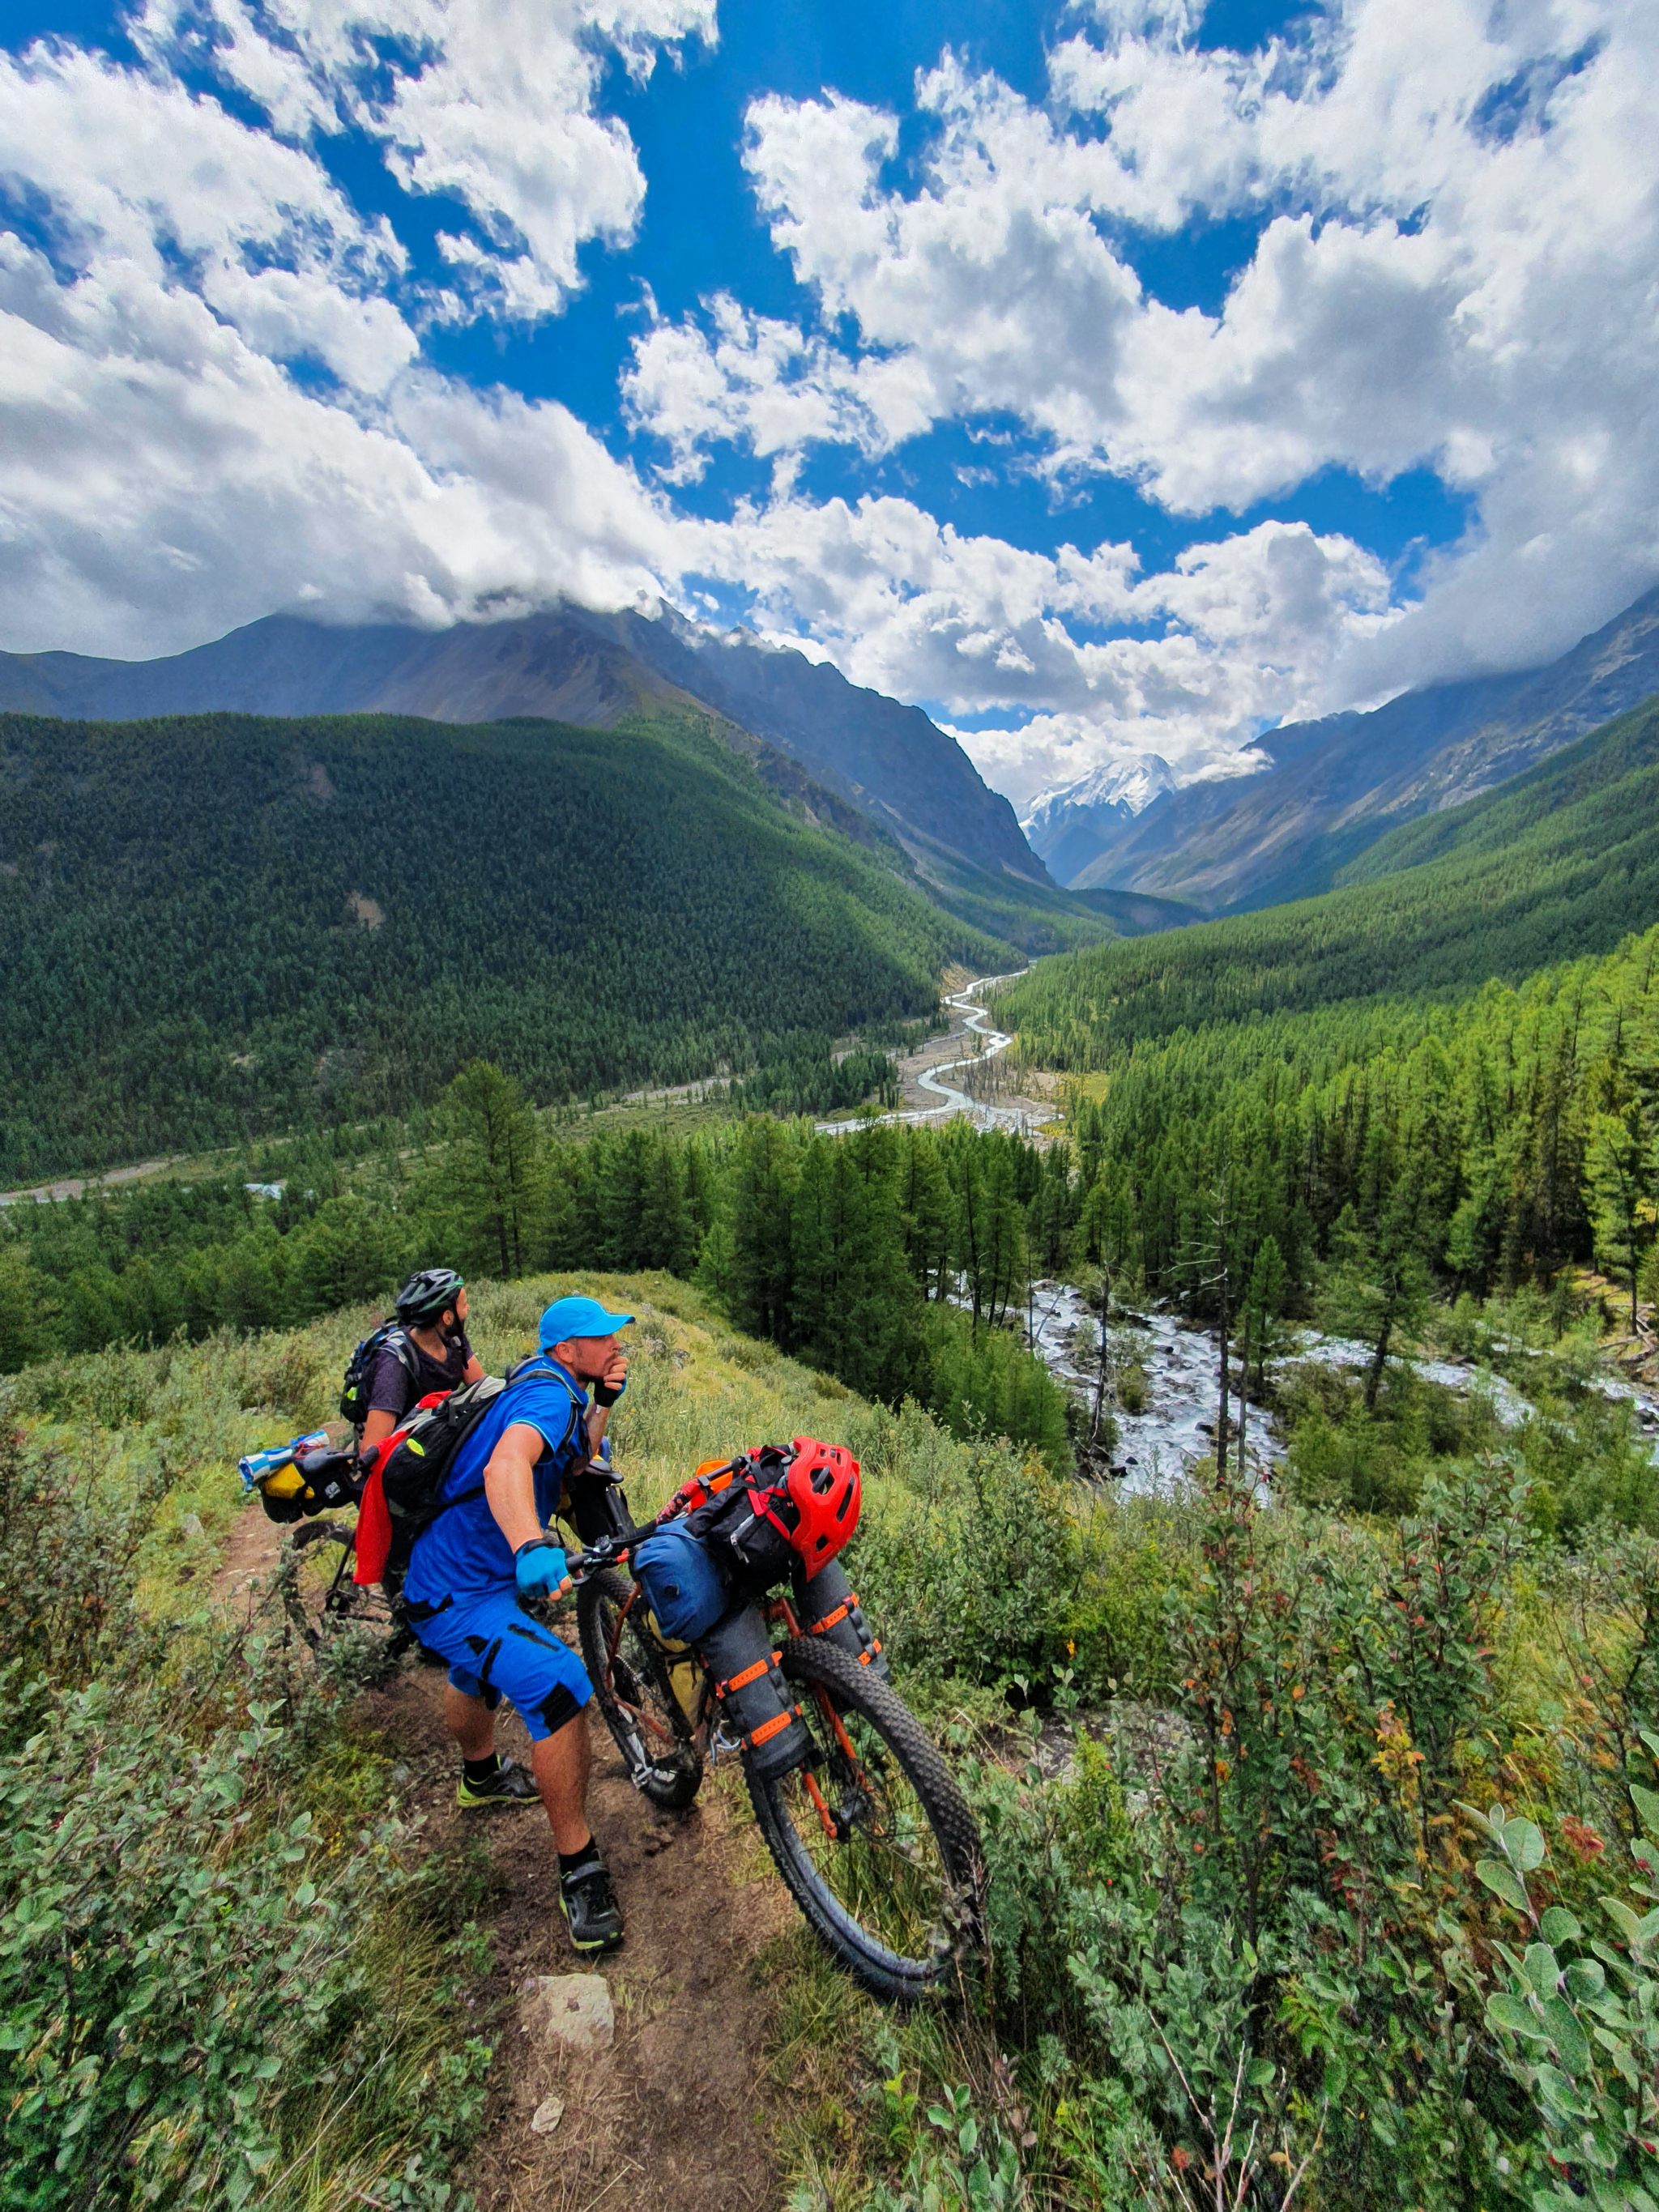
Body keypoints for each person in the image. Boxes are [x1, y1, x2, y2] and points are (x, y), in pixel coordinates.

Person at [401, 1294, 633, 1952]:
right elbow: (507, 1463)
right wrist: (531, 1544)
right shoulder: (547, 1398)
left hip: (461, 1577)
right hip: (456, 1590)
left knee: (475, 1669)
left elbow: (575, 1460)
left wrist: (606, 1402)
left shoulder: (557, 1387)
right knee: (559, 1687)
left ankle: (480, 1777)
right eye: (602, 1336)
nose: (615, 1343)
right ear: (566, 1348)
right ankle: (579, 1868)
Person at [360, 1268, 486, 1455]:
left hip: (436, 1438)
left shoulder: (454, 1340)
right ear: (447, 1317)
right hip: (406, 1457)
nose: (467, 1309)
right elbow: (370, 1449)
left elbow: (483, 1391)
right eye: (464, 1304)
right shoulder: (395, 1364)